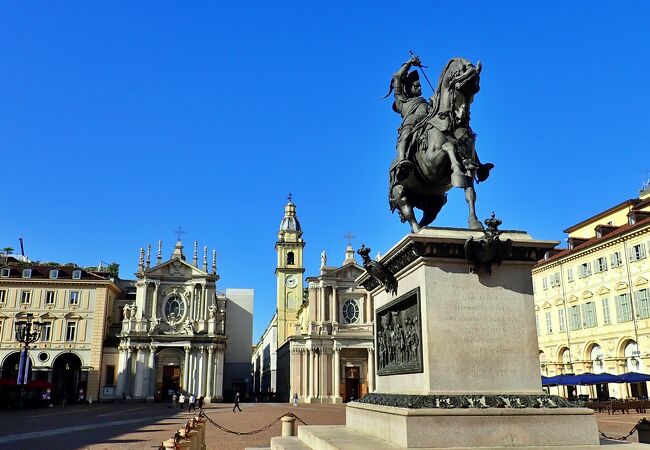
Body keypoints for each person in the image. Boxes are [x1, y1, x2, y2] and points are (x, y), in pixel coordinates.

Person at [390, 54, 430, 181]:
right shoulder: (403, 101)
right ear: (409, 88)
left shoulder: (425, 102)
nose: (419, 88)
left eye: (420, 86)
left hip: (427, 123)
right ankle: (402, 160)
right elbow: (397, 76)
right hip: (411, 124)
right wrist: (409, 63)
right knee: (405, 134)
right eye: (416, 86)